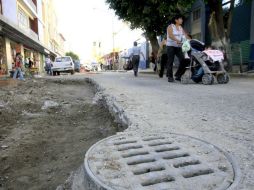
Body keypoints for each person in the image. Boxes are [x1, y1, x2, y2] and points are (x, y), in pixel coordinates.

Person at [166, 15, 190, 82]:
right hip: (170, 46)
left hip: (178, 47)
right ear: (176, 20)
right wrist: (177, 40)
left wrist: (190, 40)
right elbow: (171, 36)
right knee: (170, 61)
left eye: (182, 19)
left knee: (184, 60)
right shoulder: (170, 27)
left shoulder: (180, 28)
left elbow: (185, 36)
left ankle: (178, 75)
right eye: (180, 19)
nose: (182, 20)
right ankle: (170, 77)